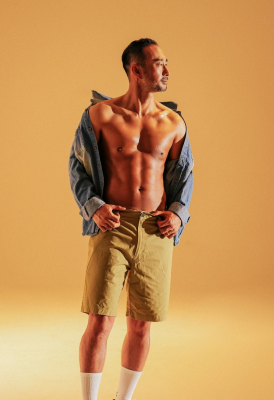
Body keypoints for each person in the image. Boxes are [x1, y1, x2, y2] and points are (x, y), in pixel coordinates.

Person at [68, 38, 195, 400]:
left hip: (156, 232)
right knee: (100, 322)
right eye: (159, 63)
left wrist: (179, 215)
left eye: (166, 63)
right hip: (113, 227)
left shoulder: (174, 122)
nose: (166, 70)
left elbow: (184, 176)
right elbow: (77, 166)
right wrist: (94, 206)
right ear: (136, 69)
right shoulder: (100, 115)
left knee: (141, 327)